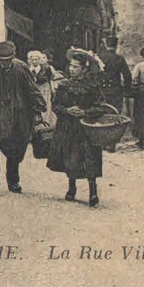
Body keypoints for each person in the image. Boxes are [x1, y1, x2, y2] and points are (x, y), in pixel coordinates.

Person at [0, 39, 46, 195]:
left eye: (8, 60)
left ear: (14, 56)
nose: (5, 63)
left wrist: (38, 107)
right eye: (2, 60)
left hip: (16, 113)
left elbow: (32, 90)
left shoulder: (21, 68)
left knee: (15, 148)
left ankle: (13, 181)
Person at [47, 48, 106, 207]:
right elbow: (56, 106)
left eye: (75, 67)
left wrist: (85, 112)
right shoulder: (64, 85)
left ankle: (93, 191)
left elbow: (101, 106)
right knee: (70, 157)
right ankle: (71, 187)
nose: (71, 70)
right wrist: (67, 111)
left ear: (84, 69)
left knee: (90, 158)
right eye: (70, 66)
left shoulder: (93, 86)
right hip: (68, 126)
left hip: (87, 127)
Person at [100, 35, 132, 143]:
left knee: (103, 115)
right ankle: (112, 142)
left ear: (106, 44)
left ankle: (103, 141)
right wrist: (127, 90)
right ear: (116, 45)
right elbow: (127, 75)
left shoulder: (100, 58)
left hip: (102, 91)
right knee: (115, 115)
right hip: (116, 91)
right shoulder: (119, 58)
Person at [28, 49, 57, 129]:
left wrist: (52, 90)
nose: (34, 61)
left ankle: (45, 123)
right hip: (33, 89)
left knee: (45, 104)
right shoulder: (28, 69)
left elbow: (50, 79)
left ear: (39, 59)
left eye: (36, 59)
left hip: (44, 88)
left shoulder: (46, 68)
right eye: (32, 60)